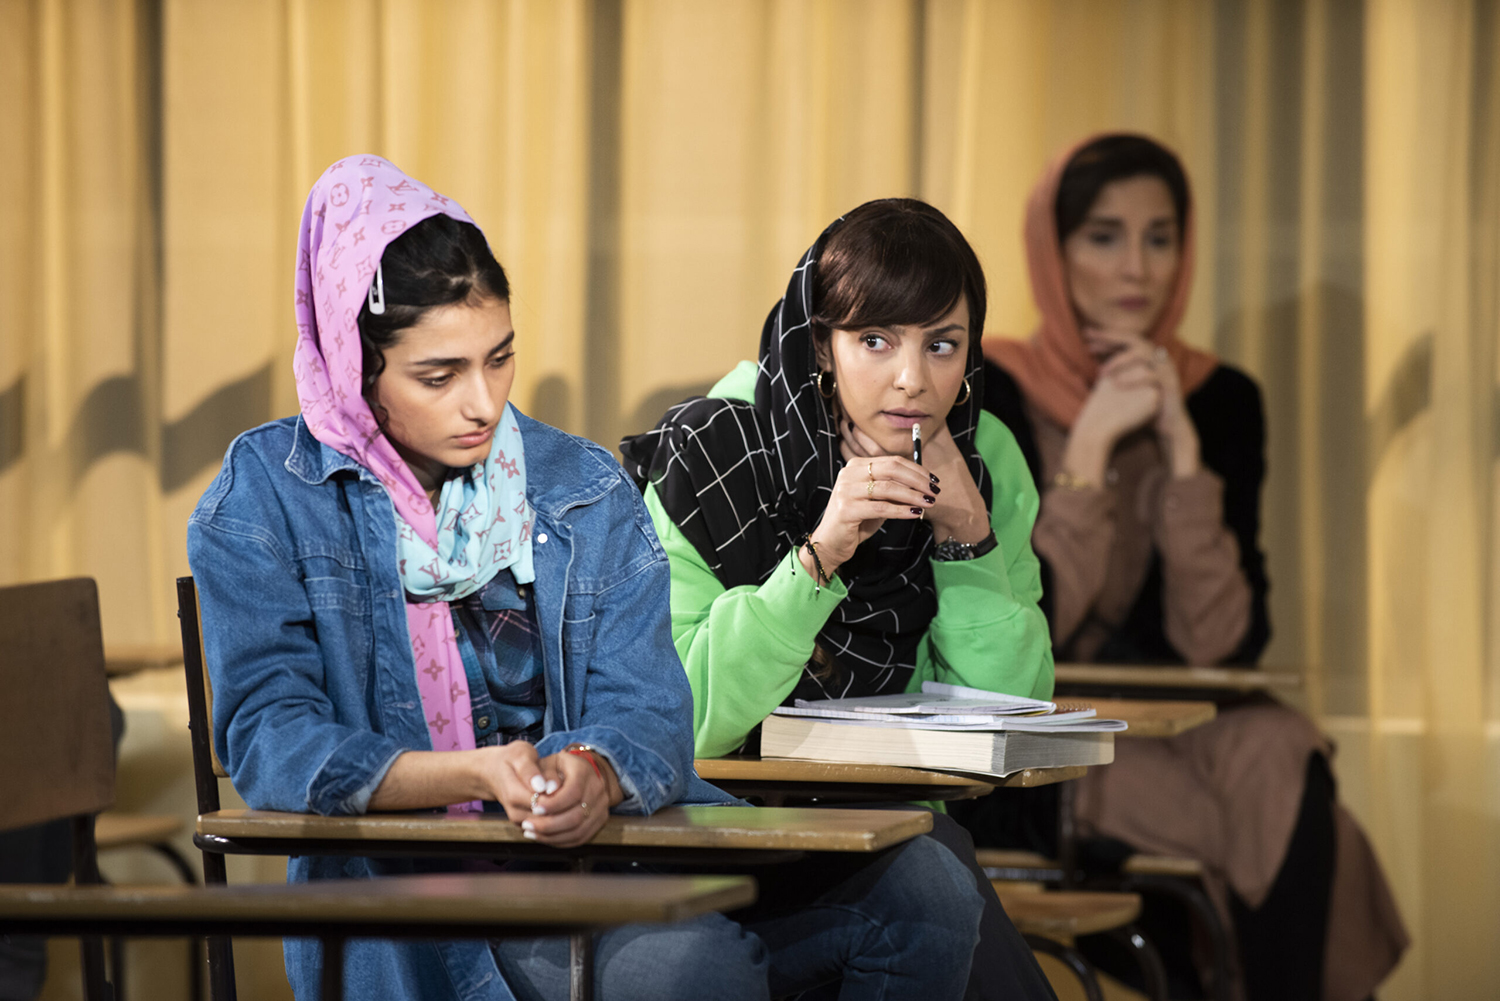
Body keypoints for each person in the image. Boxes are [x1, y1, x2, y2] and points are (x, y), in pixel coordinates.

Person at [187, 157, 984, 1001]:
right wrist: (479, 773)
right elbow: (273, 745)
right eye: (439, 375)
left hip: (616, 851)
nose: (482, 403)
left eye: (499, 360)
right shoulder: (266, 497)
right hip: (422, 898)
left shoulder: (575, 482)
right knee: (692, 967)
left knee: (926, 888)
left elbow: (651, 704)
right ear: (355, 364)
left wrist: (595, 771)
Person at [971, 132, 1407, 1001]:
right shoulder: (990, 387)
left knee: (1278, 742)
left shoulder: (1221, 398)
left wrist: (1181, 458)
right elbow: (1025, 624)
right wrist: (1090, 447)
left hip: (1182, 725)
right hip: (1044, 736)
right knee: (1315, 826)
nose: (1138, 265)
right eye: (1104, 235)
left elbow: (1227, 640)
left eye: (1160, 236)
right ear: (1052, 253)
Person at [621, 198, 1058, 1001]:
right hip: (712, 826)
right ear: (821, 343)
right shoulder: (714, 451)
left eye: (943, 344)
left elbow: (1012, 718)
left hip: (890, 828)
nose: (913, 379)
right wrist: (817, 559)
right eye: (875, 340)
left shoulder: (984, 455)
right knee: (942, 894)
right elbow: (679, 716)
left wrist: (966, 536)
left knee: (934, 881)